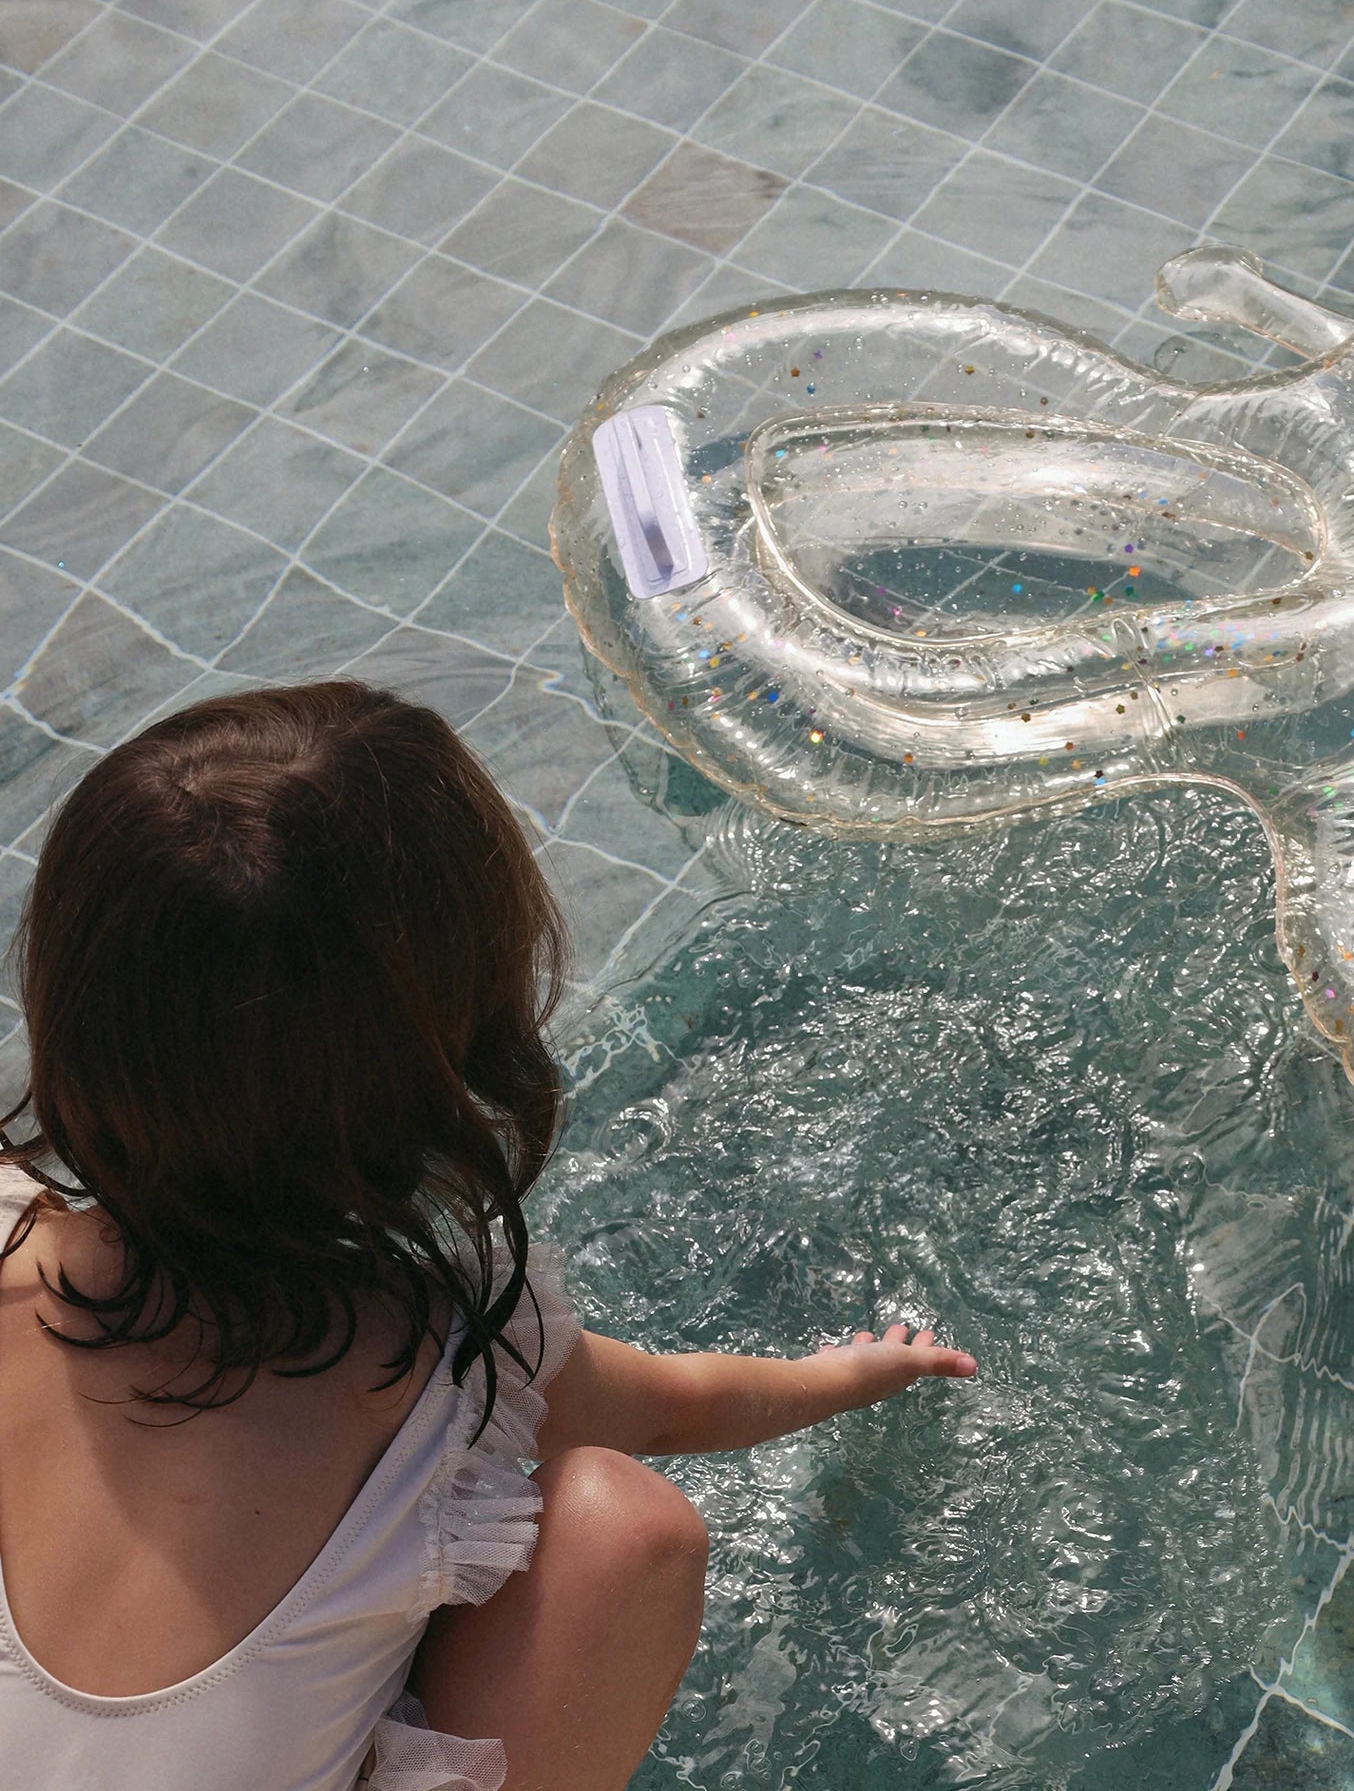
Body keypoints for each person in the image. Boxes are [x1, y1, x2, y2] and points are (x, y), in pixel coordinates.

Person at [0, 680, 975, 1791]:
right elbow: (689, 1400)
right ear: (451, 1043)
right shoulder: (451, 1363)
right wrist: (853, 1371)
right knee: (618, 1532)